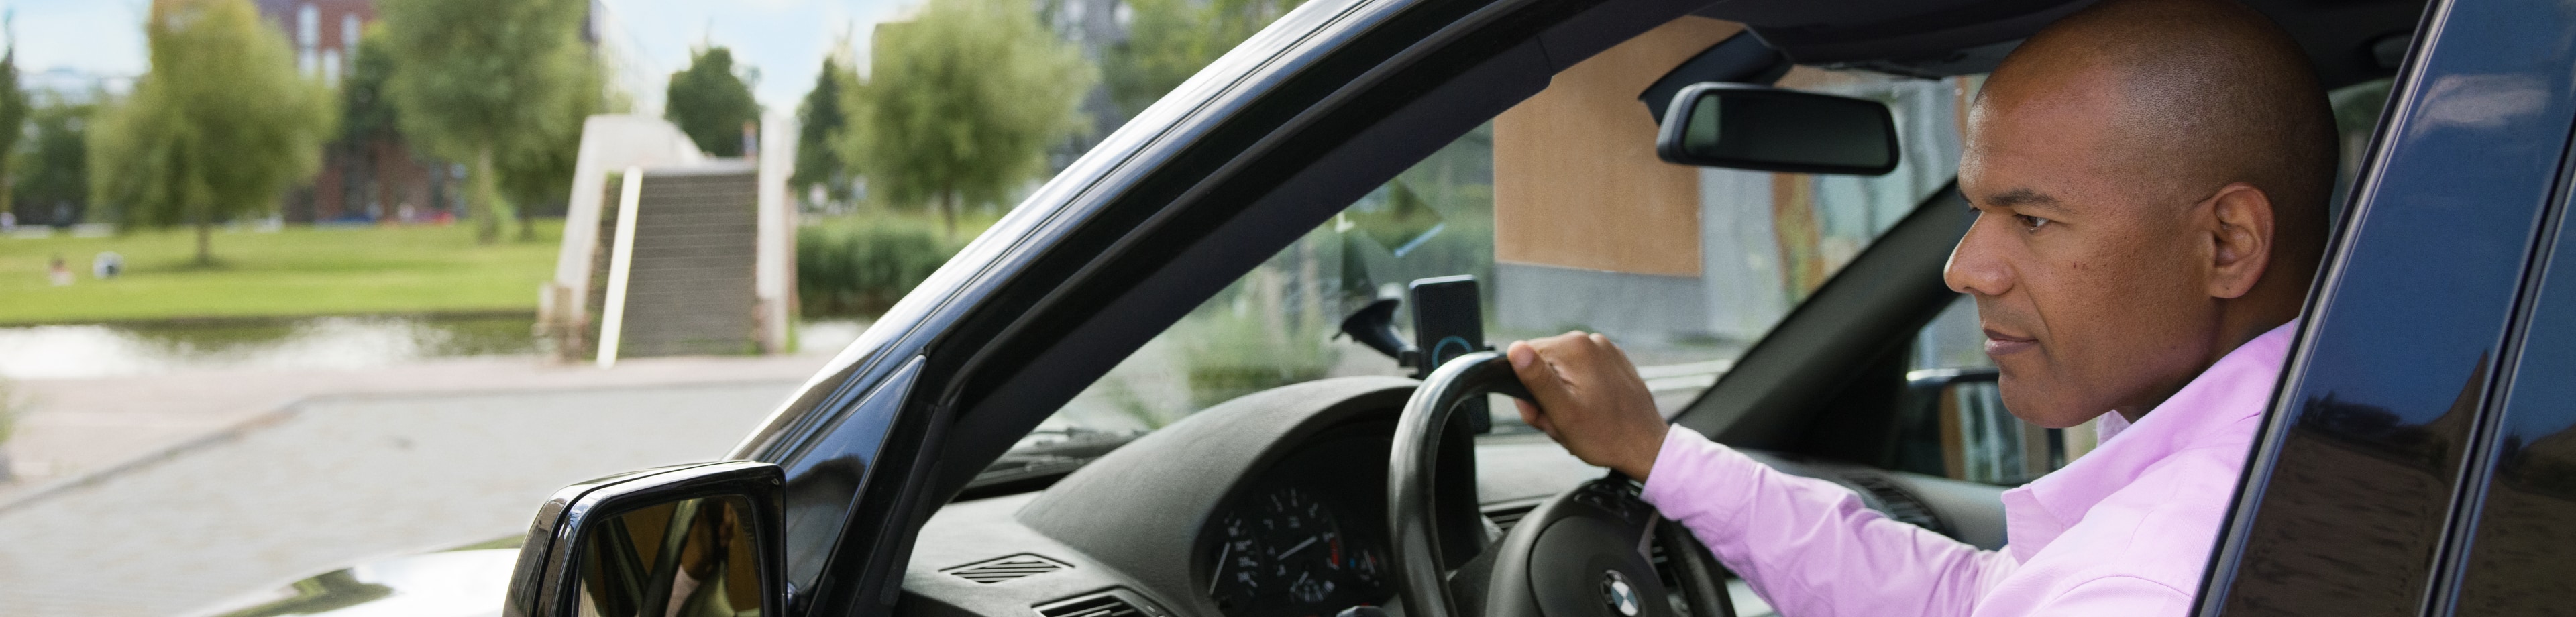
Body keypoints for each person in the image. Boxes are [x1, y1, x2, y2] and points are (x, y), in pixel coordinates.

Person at [1505, 0, 2335, 614]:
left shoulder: (2146, 582)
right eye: (1976, 213)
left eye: (2033, 219)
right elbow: (1975, 598)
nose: (1964, 267)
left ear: (2226, 243)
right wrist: (1659, 454)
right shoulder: (2312, 447)